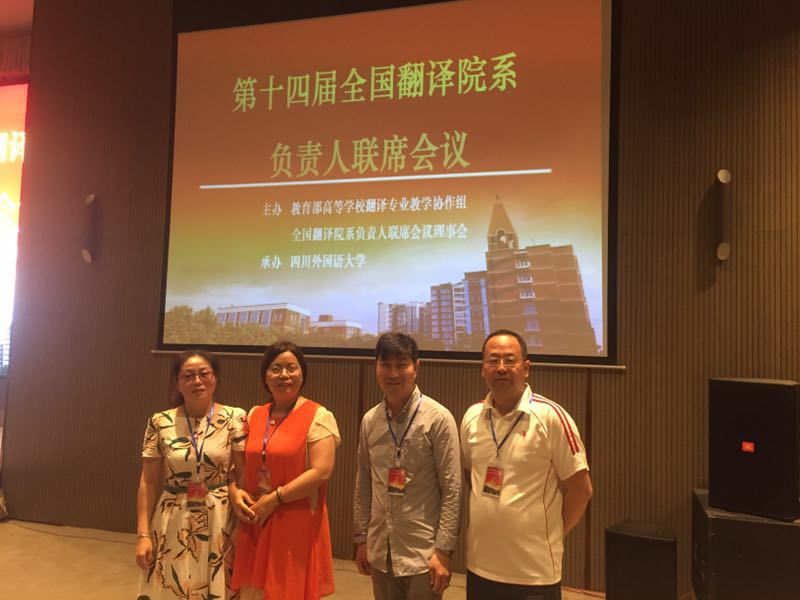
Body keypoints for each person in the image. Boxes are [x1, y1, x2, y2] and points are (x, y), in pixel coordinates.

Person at [460, 330, 593, 600]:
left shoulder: (551, 417)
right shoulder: (472, 417)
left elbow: (581, 490)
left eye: (510, 360)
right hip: (480, 567)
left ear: (526, 368)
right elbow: (470, 475)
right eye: (493, 360)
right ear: (483, 369)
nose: (501, 368)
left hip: (533, 575)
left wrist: (552, 533)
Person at [354, 332, 461, 600]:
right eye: (385, 364)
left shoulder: (438, 419)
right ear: (376, 366)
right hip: (381, 550)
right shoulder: (370, 421)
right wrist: (361, 538)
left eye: (401, 365)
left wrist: (443, 550)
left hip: (423, 553)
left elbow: (452, 488)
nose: (393, 373)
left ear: (416, 367)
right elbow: (363, 483)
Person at [230, 341, 340, 600]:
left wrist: (275, 498)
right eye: (276, 368)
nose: (284, 375)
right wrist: (234, 492)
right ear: (265, 376)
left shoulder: (319, 416)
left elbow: (321, 471)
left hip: (294, 523)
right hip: (255, 520)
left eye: (291, 368)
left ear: (302, 374)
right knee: (252, 593)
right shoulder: (255, 414)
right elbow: (237, 465)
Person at [136, 350, 247, 600]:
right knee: (172, 586)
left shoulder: (235, 418)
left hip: (220, 518)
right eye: (188, 375)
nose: (197, 381)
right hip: (172, 518)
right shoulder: (159, 422)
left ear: (215, 378)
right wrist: (143, 535)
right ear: (177, 382)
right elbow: (147, 481)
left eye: (204, 373)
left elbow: (243, 475)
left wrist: (242, 528)